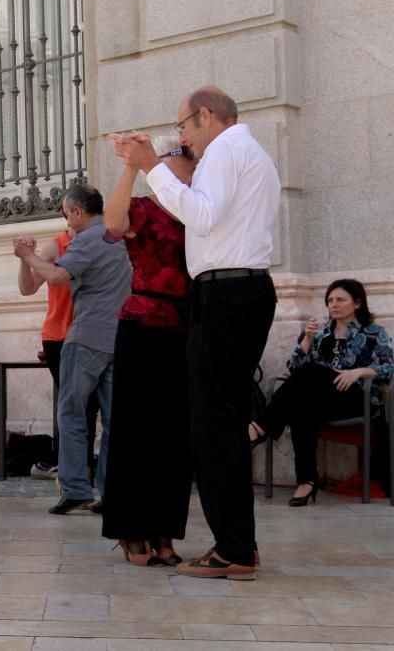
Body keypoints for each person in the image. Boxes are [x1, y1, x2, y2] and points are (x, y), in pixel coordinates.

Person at [114, 86, 280, 580]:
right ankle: (238, 544)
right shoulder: (247, 152)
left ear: (205, 116)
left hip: (228, 294)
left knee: (215, 426)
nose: (183, 136)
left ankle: (233, 548)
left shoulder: (227, 149)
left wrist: (151, 166)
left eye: (184, 126)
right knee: (219, 422)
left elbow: (201, 216)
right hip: (234, 293)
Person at [100, 137, 196, 567]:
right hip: (143, 324)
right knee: (135, 430)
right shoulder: (146, 207)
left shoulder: (199, 209)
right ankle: (131, 529)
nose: (182, 166)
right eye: (174, 159)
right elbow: (113, 222)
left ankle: (164, 532)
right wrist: (132, 167)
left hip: (186, 326)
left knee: (174, 436)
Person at [14, 184, 131, 516]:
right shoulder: (117, 236)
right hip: (116, 338)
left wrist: (26, 256)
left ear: (78, 212)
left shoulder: (87, 240)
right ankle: (110, 491)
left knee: (71, 414)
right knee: (112, 420)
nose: (66, 222)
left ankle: (77, 488)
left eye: (66, 215)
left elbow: (55, 276)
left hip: (85, 338)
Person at [249, 279, 393, 506]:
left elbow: (388, 366)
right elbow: (295, 371)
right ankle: (306, 481)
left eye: (340, 300)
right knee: (301, 408)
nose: (333, 305)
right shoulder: (323, 333)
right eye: (330, 300)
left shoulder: (375, 332)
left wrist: (357, 372)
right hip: (324, 398)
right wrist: (307, 339)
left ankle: (261, 426)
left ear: (357, 303)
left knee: (310, 375)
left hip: (358, 397)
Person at [16, 223, 100, 485]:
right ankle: (75, 472)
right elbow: (27, 288)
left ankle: (76, 469)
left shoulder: (101, 241)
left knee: (90, 406)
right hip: (60, 338)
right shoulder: (57, 245)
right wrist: (24, 260)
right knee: (77, 408)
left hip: (93, 336)